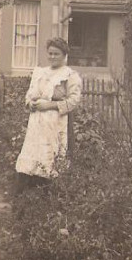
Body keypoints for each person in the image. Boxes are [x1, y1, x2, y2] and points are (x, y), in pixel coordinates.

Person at [14, 37, 82, 188]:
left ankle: (48, 194)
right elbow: (29, 95)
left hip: (56, 122)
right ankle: (28, 194)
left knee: (52, 155)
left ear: (64, 55)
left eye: (56, 54)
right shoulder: (40, 73)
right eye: (50, 53)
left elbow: (73, 101)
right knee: (34, 154)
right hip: (36, 123)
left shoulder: (70, 76)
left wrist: (50, 105)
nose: (52, 57)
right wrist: (30, 104)